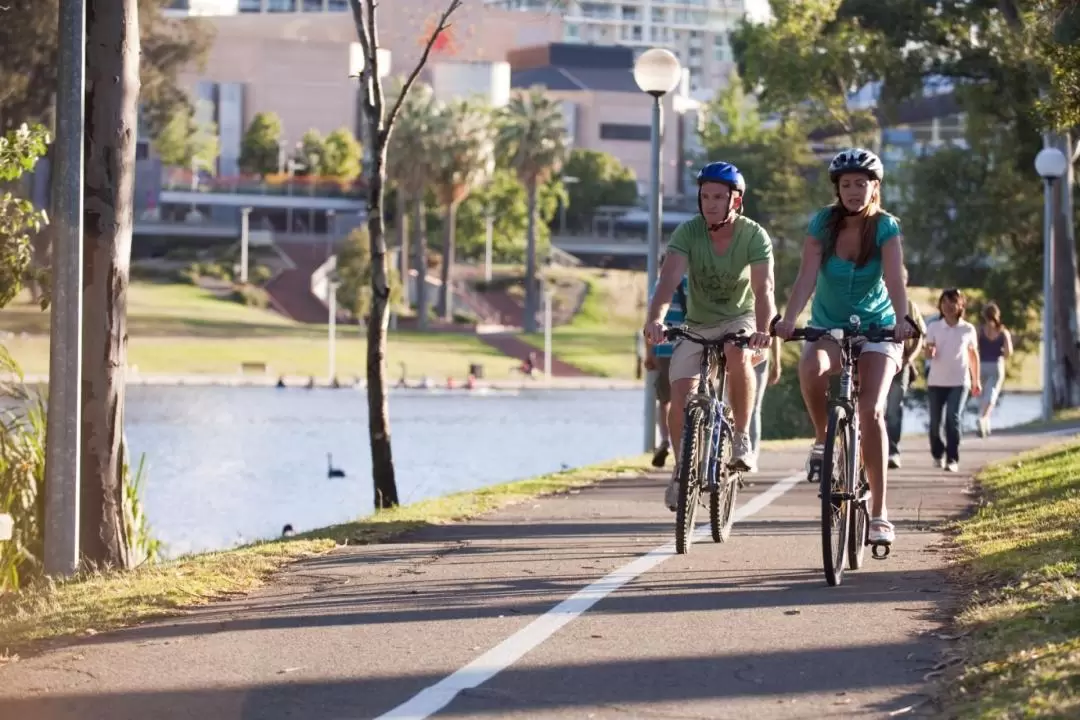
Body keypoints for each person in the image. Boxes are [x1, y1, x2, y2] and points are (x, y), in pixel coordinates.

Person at [773, 148, 916, 548]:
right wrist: (788, 318)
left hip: (878, 329)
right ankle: (823, 439)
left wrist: (903, 321)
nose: (854, 191)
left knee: (871, 411)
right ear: (837, 189)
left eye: (862, 183)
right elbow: (805, 277)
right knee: (811, 366)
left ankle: (880, 514)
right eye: (847, 184)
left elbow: (894, 279)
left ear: (875, 187)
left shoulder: (886, 227)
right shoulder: (823, 223)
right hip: (828, 324)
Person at [643, 161, 776, 511]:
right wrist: (655, 320)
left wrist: (763, 331)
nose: (711, 203)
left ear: (736, 200)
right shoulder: (688, 233)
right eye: (705, 197)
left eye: (719, 197)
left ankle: (742, 440)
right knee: (680, 393)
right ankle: (680, 470)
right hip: (697, 323)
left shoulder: (753, 235)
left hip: (740, 317)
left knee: (737, 353)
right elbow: (667, 282)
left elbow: (764, 290)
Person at [925, 288, 981, 471]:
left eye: (953, 303)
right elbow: (927, 351)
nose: (948, 306)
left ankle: (952, 459)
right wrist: (929, 352)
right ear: (940, 305)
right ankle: (937, 453)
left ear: (961, 305)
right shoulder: (934, 327)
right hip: (936, 382)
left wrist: (976, 380)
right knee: (935, 423)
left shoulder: (968, 329)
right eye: (945, 303)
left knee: (953, 419)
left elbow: (973, 356)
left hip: (959, 381)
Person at [646, 262, 688, 468]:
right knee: (684, 398)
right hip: (690, 347)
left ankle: (666, 440)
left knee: (665, 401)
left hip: (665, 349)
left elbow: (650, 322)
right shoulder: (692, 284)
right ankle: (681, 440)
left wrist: (650, 352)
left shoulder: (659, 287)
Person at [884, 266, 926, 469]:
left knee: (893, 409)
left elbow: (919, 336)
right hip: (878, 359)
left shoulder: (909, 306)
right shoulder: (877, 302)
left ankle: (892, 451)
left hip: (901, 364)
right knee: (874, 408)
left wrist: (909, 358)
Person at [976, 301, 1013, 437]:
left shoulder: (980, 331)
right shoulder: (1003, 332)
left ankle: (985, 422)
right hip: (996, 364)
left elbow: (975, 348)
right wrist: (1001, 354)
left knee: (982, 394)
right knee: (992, 393)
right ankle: (984, 419)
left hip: (982, 364)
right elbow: (1009, 351)